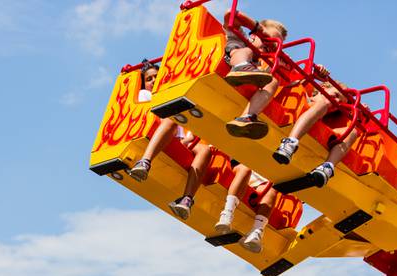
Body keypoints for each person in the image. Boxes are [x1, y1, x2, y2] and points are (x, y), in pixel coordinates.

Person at [128, 61, 213, 220]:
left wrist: (188, 138)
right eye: (149, 79)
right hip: (156, 128)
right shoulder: (144, 95)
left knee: (205, 150)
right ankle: (145, 162)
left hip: (175, 134)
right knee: (170, 120)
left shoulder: (169, 96)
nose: (153, 81)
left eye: (156, 77)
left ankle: (187, 199)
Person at [272, 81, 359, 187]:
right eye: (336, 95)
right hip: (289, 115)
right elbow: (287, 85)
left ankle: (327, 167)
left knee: (352, 132)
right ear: (324, 87)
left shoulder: (325, 120)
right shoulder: (304, 93)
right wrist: (312, 76)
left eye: (340, 103)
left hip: (313, 137)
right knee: (323, 103)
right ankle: (290, 142)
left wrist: (359, 115)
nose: (336, 101)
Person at [222, 8, 288, 139]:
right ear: (254, 35)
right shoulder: (240, 36)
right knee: (248, 49)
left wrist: (280, 64)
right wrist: (258, 28)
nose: (270, 44)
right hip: (228, 59)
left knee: (273, 80)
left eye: (274, 45)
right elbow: (230, 14)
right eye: (268, 39)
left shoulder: (259, 64)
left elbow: (295, 80)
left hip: (249, 76)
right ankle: (240, 66)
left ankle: (247, 117)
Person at [214, 162, 278, 253]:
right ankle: (226, 214)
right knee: (246, 169)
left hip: (261, 178)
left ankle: (256, 232)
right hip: (239, 166)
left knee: (272, 190)